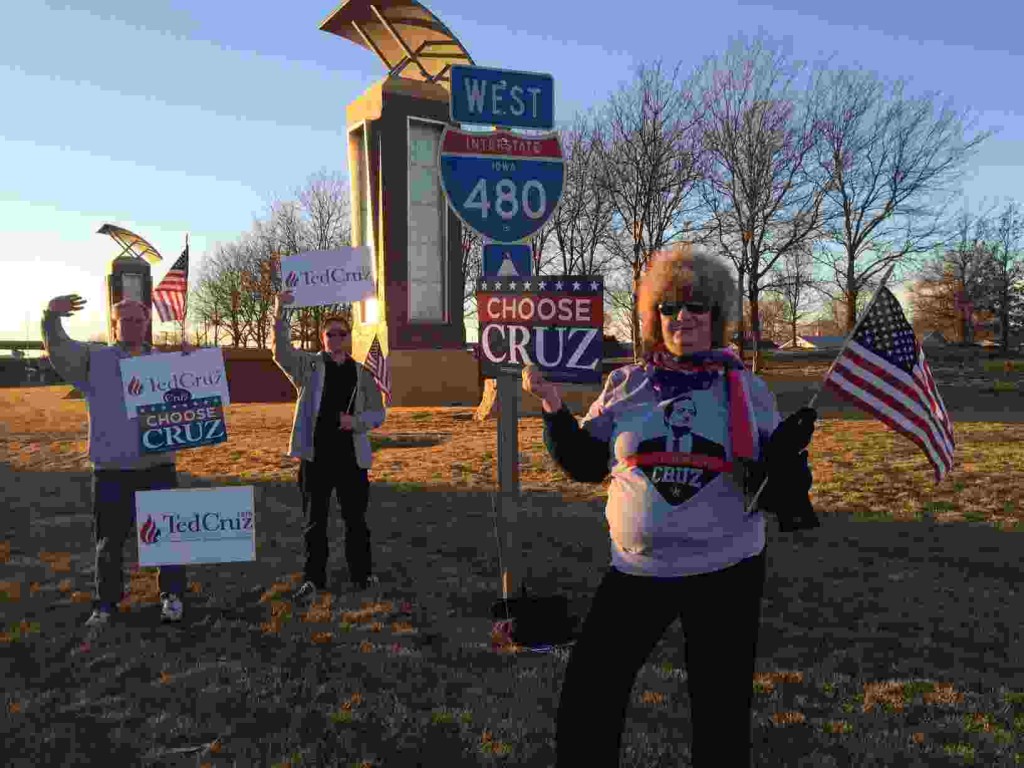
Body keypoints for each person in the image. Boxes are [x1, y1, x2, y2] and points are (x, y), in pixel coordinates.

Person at [521, 242, 819, 768]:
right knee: (590, 695)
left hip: (726, 570)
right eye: (668, 308)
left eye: (695, 306)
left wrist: (790, 462)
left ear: (717, 316)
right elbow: (588, 464)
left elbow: (780, 488)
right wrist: (551, 405)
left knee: (720, 711)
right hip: (636, 570)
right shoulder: (626, 384)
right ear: (653, 316)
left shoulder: (747, 390)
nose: (681, 317)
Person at [42, 294, 195, 630]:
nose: (132, 325)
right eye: (125, 320)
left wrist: (191, 366)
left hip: (158, 465)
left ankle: (172, 596)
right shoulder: (93, 359)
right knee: (109, 542)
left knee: (167, 536)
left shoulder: (162, 361)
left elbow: (191, 401)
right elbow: (59, 349)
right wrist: (52, 317)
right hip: (111, 469)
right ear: (114, 325)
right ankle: (106, 603)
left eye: (138, 320)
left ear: (147, 324)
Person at [271, 290, 386, 606]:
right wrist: (281, 310)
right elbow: (280, 351)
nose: (336, 338)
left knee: (356, 521)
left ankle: (362, 576)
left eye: (342, 333)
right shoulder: (307, 366)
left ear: (349, 337)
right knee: (314, 522)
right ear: (322, 338)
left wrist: (356, 422)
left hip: (352, 459)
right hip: (316, 457)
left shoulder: (363, 373)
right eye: (330, 334)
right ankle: (313, 579)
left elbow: (379, 414)